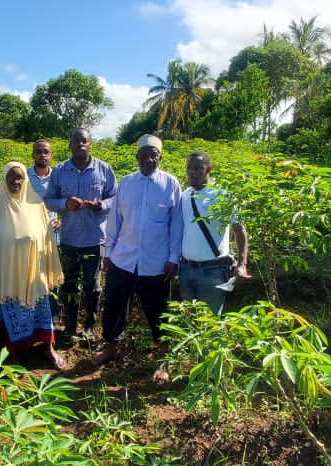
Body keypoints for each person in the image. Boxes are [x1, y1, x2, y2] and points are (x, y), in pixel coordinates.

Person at [93, 134, 182, 377]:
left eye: (154, 155)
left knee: (159, 310)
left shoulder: (171, 184)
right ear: (137, 157)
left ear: (160, 157)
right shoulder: (126, 184)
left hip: (156, 262)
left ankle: (164, 360)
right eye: (145, 155)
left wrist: (174, 258)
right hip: (123, 258)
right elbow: (115, 221)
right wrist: (108, 252)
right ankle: (111, 347)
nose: (149, 159)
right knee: (114, 305)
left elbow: (176, 226)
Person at [0, 162, 67, 369]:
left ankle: (48, 349)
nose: (15, 182)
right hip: (10, 277)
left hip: (34, 274)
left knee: (42, 312)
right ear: (4, 180)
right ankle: (13, 352)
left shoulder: (36, 204)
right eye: (11, 178)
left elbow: (48, 239)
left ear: (25, 179)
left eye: (19, 177)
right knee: (11, 314)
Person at [43, 128, 117, 340]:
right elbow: (49, 199)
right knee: (69, 285)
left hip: (95, 239)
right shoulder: (59, 171)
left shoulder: (104, 169)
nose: (80, 145)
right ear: (70, 145)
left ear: (90, 144)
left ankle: (91, 327)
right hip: (69, 240)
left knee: (93, 287)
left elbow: (115, 199)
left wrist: (101, 204)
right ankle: (70, 327)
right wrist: (65, 203)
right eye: (76, 141)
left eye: (84, 141)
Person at [179, 151, 252, 315]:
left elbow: (240, 230)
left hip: (212, 272)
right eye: (189, 168)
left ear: (208, 169)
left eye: (198, 168)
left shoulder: (223, 195)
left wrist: (242, 265)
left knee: (209, 323)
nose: (192, 172)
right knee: (189, 322)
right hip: (185, 270)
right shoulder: (184, 195)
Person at [27, 139, 63, 320]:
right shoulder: (24, 176)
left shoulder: (59, 176)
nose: (42, 155)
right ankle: (33, 313)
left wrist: (63, 220)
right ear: (33, 154)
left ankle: (53, 315)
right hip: (30, 234)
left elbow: (67, 200)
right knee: (31, 273)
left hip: (52, 233)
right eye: (39, 152)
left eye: (46, 152)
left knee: (52, 273)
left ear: (51, 155)